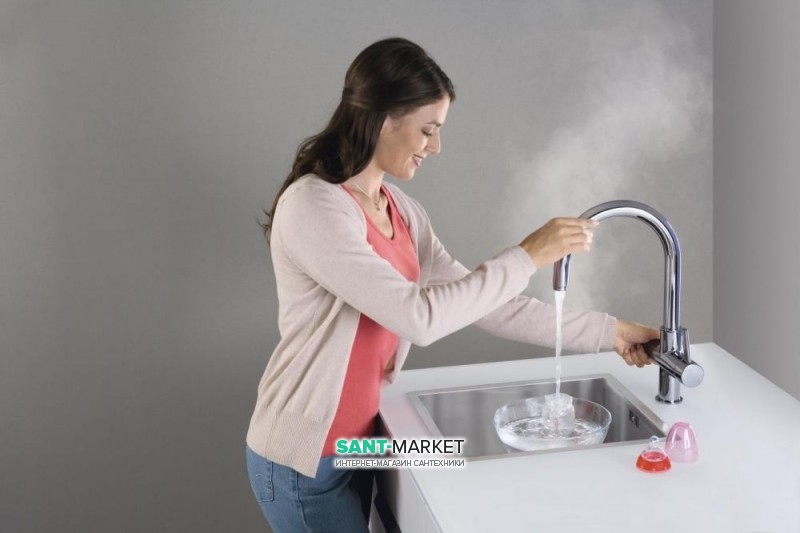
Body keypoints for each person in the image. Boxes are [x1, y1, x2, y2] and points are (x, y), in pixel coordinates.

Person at [246, 37, 657, 532]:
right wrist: (528, 254)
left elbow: (490, 305)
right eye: (428, 130)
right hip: (304, 462)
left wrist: (612, 332)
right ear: (384, 118)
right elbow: (418, 318)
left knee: (459, 473)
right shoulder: (314, 207)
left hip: (362, 444)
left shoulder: (403, 212)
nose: (435, 147)